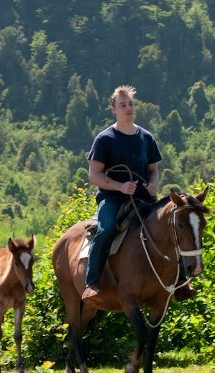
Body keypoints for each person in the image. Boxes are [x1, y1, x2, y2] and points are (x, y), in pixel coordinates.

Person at [81, 85, 196, 304]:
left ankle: (181, 281)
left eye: (131, 104)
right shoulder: (104, 139)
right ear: (113, 109)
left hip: (144, 199)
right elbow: (94, 175)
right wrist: (120, 187)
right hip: (113, 198)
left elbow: (153, 171)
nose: (128, 108)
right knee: (105, 230)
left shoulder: (146, 137)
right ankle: (92, 283)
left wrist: (153, 184)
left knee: (172, 226)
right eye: (122, 105)